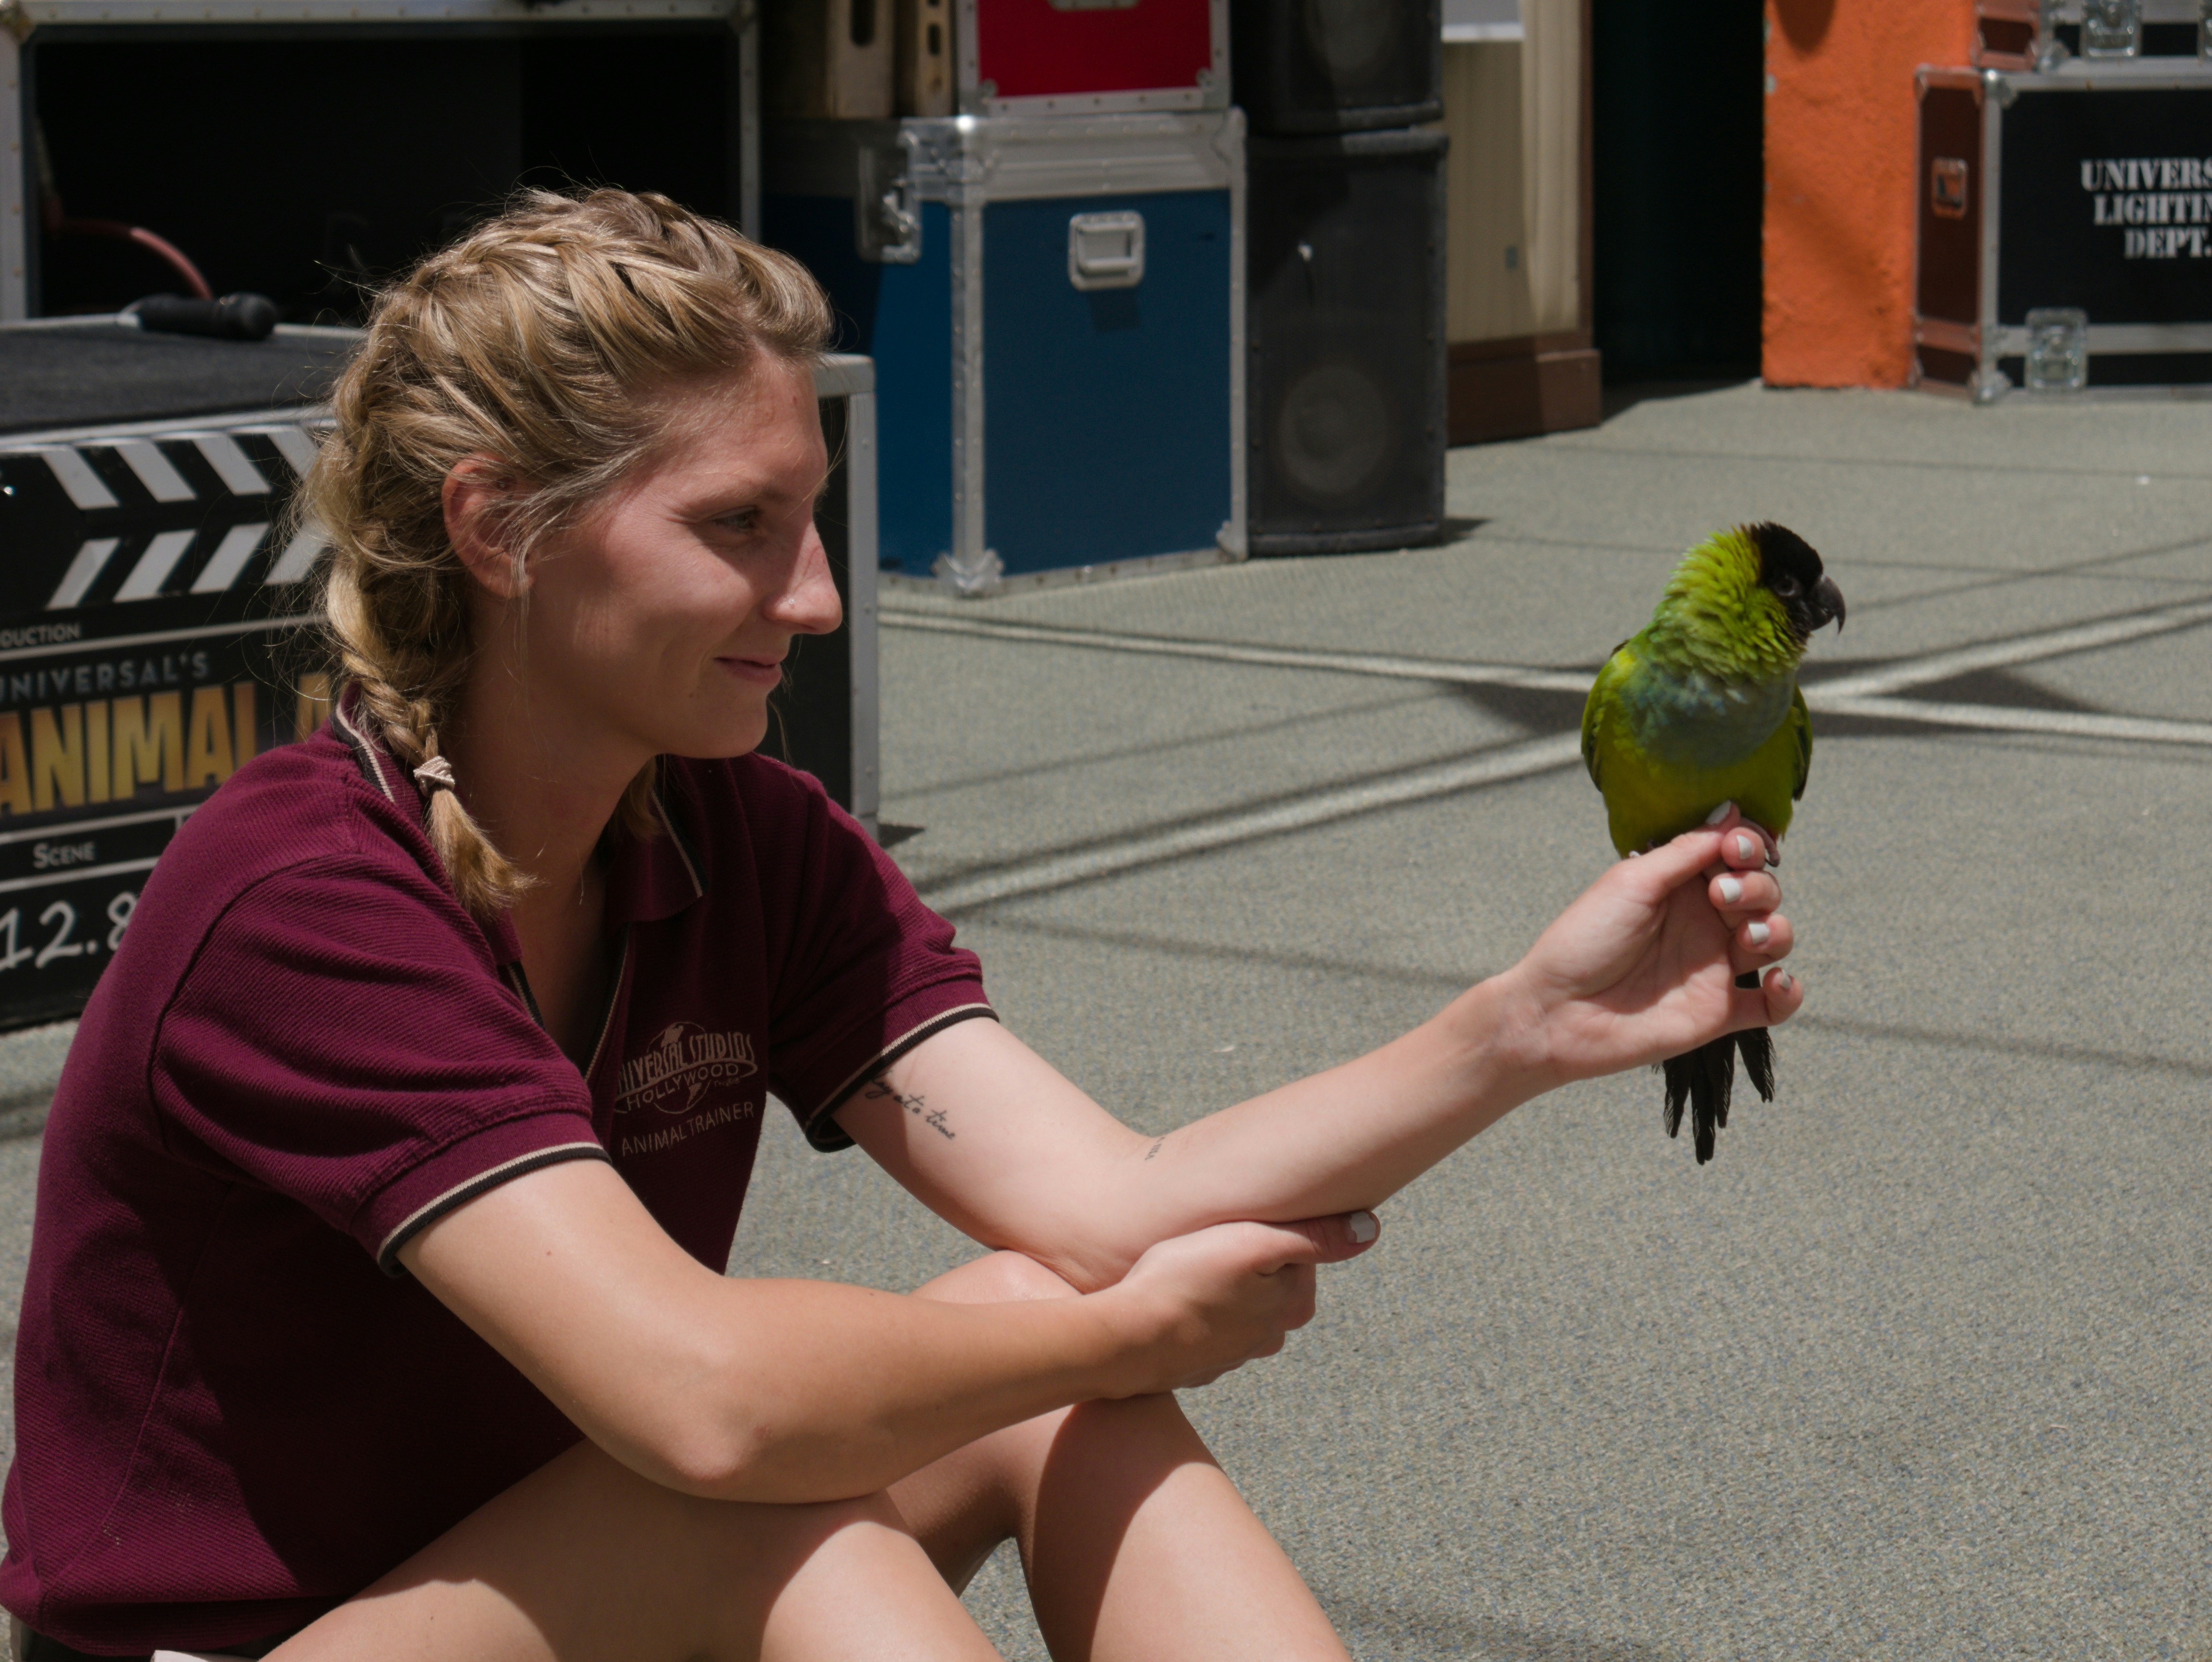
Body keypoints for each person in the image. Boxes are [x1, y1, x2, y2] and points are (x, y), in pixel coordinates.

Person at [0, 190, 1801, 1662]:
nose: (812, 596)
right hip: (248, 1651)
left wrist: (1526, 1029)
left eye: (816, 521)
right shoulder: (309, 895)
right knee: (789, 1510)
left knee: (1010, 1355)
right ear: (496, 529)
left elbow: (1110, 1204)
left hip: (557, 1569)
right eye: (738, 526)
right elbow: (703, 1402)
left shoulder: (742, 837)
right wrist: (1126, 1337)